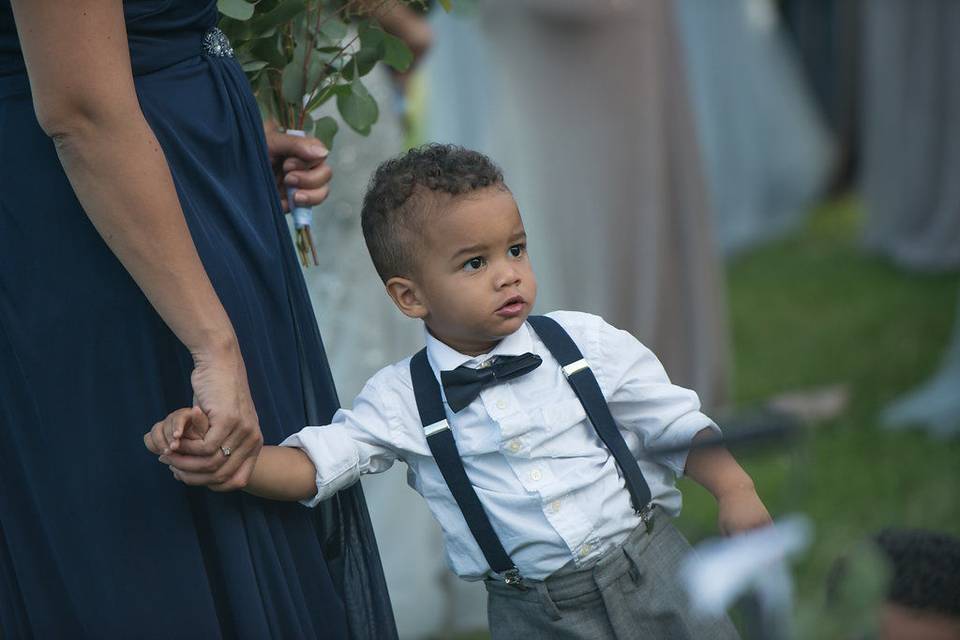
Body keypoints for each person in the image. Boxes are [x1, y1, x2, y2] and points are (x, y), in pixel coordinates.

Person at [147, 145, 772, 639]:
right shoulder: (400, 399)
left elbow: (673, 425)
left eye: (516, 249)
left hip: (653, 567)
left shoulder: (585, 343)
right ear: (409, 296)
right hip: (534, 613)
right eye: (475, 263)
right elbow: (317, 466)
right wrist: (236, 459)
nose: (507, 274)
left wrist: (735, 488)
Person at [0, 1, 393, 637]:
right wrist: (213, 346)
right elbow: (82, 110)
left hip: (185, 166)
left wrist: (225, 132)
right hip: (97, 225)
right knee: (161, 541)